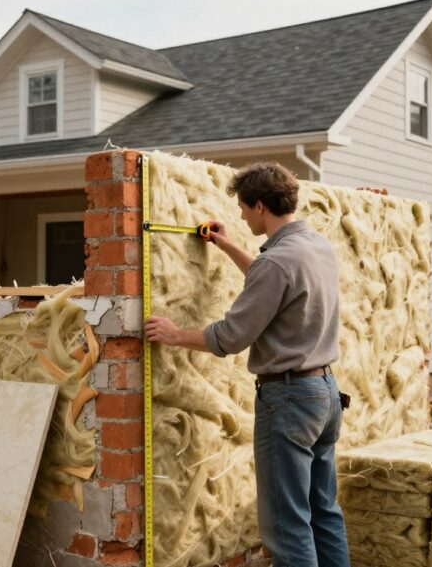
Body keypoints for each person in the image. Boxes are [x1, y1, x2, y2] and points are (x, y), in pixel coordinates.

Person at [144, 162, 350, 567]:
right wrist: (228, 245)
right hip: (325, 394)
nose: (239, 214)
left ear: (259, 205)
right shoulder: (315, 246)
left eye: (242, 207)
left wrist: (174, 334)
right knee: (323, 511)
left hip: (289, 400)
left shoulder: (278, 262)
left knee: (286, 525)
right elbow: (274, 283)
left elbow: (231, 337)